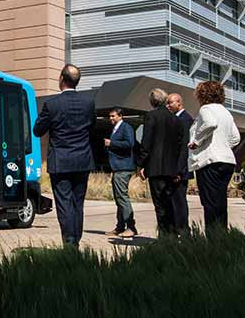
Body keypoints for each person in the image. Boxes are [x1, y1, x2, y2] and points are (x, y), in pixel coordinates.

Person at [33, 64, 96, 248]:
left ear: (61, 79)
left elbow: (38, 130)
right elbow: (91, 127)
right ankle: (75, 239)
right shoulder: (88, 103)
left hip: (61, 161)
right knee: (78, 203)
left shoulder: (52, 104)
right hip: (83, 160)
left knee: (64, 204)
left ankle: (69, 242)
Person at [187, 81, 241, 235]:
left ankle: (213, 240)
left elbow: (210, 124)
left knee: (210, 203)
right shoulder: (226, 112)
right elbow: (236, 138)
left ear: (202, 95)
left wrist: (196, 141)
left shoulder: (206, 109)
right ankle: (222, 236)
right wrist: (223, 145)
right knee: (220, 203)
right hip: (227, 161)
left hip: (210, 161)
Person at [135, 88, 184, 236]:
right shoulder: (176, 119)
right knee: (169, 203)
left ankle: (164, 236)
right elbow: (179, 145)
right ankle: (173, 233)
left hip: (155, 168)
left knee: (160, 205)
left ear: (152, 101)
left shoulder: (151, 116)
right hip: (171, 168)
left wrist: (140, 164)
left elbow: (146, 142)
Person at [103, 107, 137, 237]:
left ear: (120, 116)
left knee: (122, 198)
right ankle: (120, 226)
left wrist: (112, 143)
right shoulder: (115, 128)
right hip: (117, 167)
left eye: (113, 116)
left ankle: (131, 227)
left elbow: (130, 143)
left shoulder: (126, 127)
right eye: (110, 116)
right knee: (119, 199)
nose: (111, 118)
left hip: (124, 167)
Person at [166, 93, 193, 233]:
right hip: (174, 167)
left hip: (179, 169)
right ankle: (176, 230)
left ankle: (183, 230)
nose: (168, 105)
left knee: (179, 201)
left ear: (179, 103)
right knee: (174, 200)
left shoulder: (184, 120)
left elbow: (183, 147)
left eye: (170, 102)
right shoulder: (176, 119)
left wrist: (178, 170)